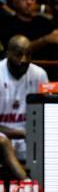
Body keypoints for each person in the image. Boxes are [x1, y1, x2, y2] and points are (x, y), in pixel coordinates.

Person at [0, 35, 47, 167]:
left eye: (28, 55)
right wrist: (21, 133)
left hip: (29, 137)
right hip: (4, 136)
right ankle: (28, 183)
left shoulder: (39, 74)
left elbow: (44, 114)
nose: (24, 60)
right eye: (18, 55)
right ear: (7, 54)